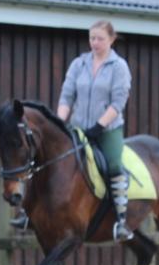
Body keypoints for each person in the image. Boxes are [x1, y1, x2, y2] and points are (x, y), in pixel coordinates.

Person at [11, 20, 134, 241]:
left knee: (114, 165)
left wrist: (99, 126)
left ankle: (120, 220)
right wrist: (59, 123)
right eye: (92, 38)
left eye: (100, 39)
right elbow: (67, 97)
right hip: (77, 127)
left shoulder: (119, 67)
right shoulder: (79, 64)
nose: (95, 43)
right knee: (41, 160)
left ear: (112, 39)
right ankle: (27, 213)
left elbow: (118, 102)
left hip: (107, 129)